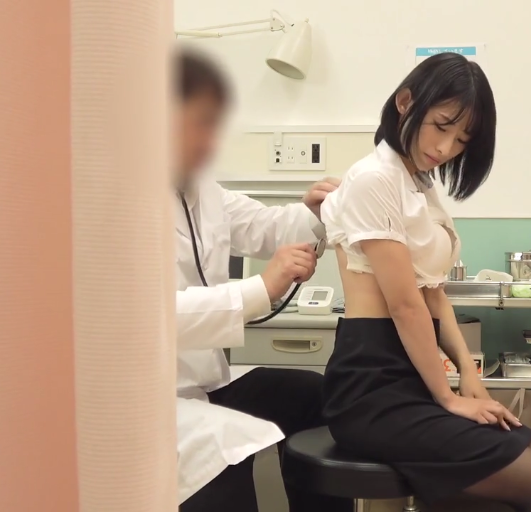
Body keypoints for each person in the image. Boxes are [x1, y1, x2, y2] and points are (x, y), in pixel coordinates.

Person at [319, 52, 531, 511]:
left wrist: (468, 375)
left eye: (462, 139)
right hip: (371, 387)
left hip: (412, 376)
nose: (446, 148)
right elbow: (405, 306)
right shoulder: (375, 179)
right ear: (405, 102)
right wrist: (448, 396)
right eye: (441, 126)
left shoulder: (418, 183)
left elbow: (433, 295)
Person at [173, 47, 351, 512]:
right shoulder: (117, 202)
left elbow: (263, 226)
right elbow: (151, 318)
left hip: (208, 383)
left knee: (316, 397)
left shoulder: (202, 190)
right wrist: (262, 288)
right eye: (200, 124)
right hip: (157, 398)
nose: (211, 141)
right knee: (225, 450)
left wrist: (314, 214)